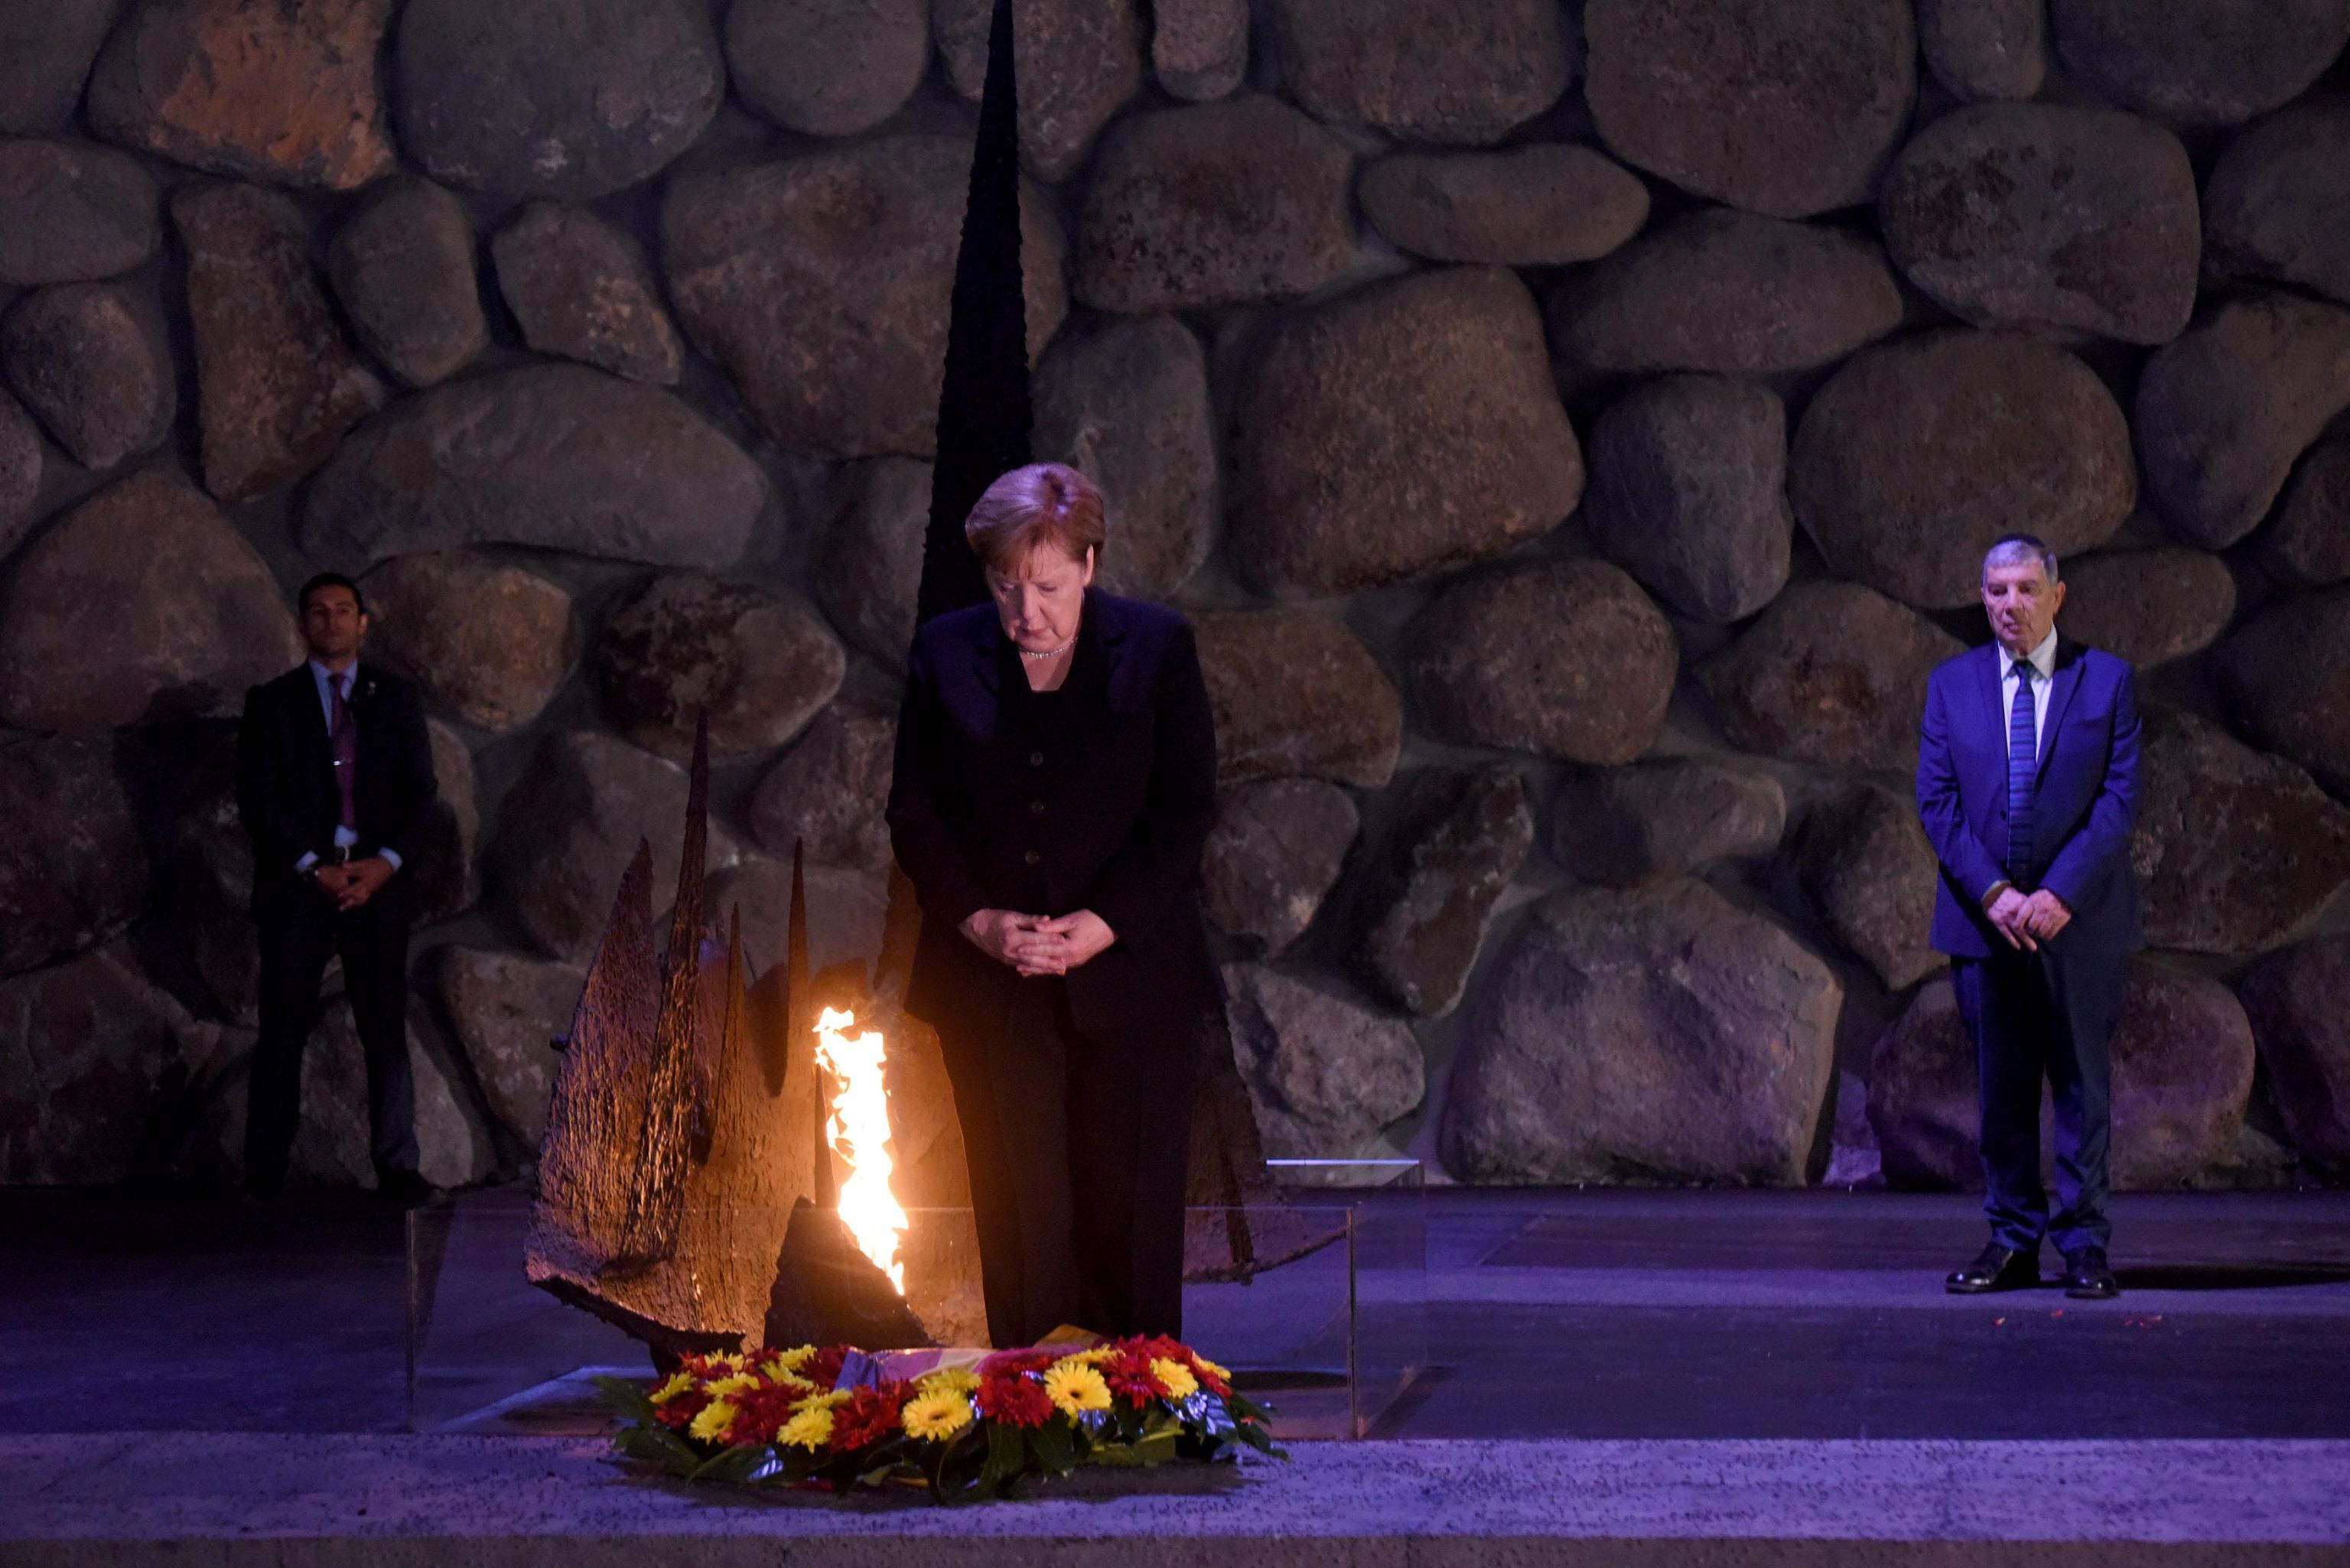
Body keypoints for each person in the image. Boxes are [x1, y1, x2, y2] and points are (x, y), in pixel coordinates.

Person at [887, 462, 1221, 1348]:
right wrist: (981, 922)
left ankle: (1140, 1417)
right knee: (1022, 1218)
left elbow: (1186, 810)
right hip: (993, 989)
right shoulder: (945, 652)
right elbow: (914, 814)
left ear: (1091, 565)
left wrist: (1103, 924)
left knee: (1133, 1215)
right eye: (1005, 588)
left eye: (1046, 586)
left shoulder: (1156, 650)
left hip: (1135, 982)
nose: (1023, 612)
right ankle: (1034, 1421)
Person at [1915, 535, 2140, 1300]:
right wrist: (1996, 895)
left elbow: (2116, 802)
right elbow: (1937, 803)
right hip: (1987, 926)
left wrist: (2058, 895)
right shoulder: (1951, 686)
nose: (2009, 603)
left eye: (2023, 588)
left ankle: (2083, 1246)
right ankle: (2012, 1241)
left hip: (2077, 924)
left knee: (2081, 1085)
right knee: (2001, 1092)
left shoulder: (2106, 682)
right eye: (1995, 590)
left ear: (2056, 594)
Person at [236, 574, 439, 1202]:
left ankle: (398, 1168)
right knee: (282, 1029)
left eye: (343, 611)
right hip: (300, 887)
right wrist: (310, 865)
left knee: (384, 1027)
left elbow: (420, 793)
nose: (331, 621)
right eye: (318, 612)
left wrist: (384, 864)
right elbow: (258, 798)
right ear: (303, 624)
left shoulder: (396, 701)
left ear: (364, 622)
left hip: (376, 885)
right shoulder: (272, 703)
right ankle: (265, 1172)